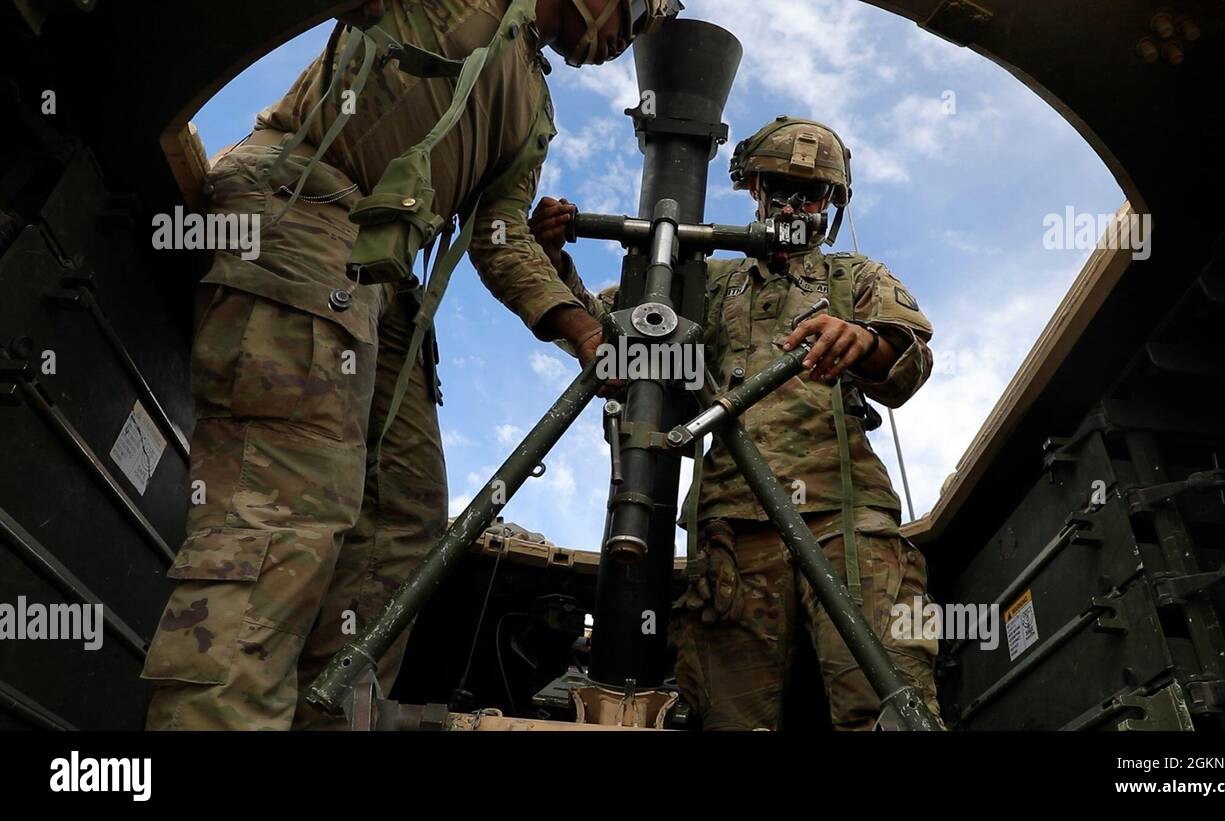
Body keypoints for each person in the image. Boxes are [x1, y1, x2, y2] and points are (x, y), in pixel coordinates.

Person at [141, 0, 680, 730]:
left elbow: (498, 235)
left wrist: (582, 329)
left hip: (382, 287)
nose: (628, 37)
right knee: (284, 506)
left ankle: (322, 716)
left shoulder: (534, 105)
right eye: (637, 13)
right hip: (306, 204)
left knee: (403, 517)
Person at [528, 115, 942, 730]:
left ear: (832, 202)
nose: (794, 203)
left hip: (846, 520)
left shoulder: (857, 277)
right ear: (754, 190)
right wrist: (553, 261)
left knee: (890, 701)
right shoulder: (710, 281)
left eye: (812, 192)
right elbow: (613, 338)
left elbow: (909, 363)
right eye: (779, 186)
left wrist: (862, 341)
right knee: (729, 717)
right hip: (731, 534)